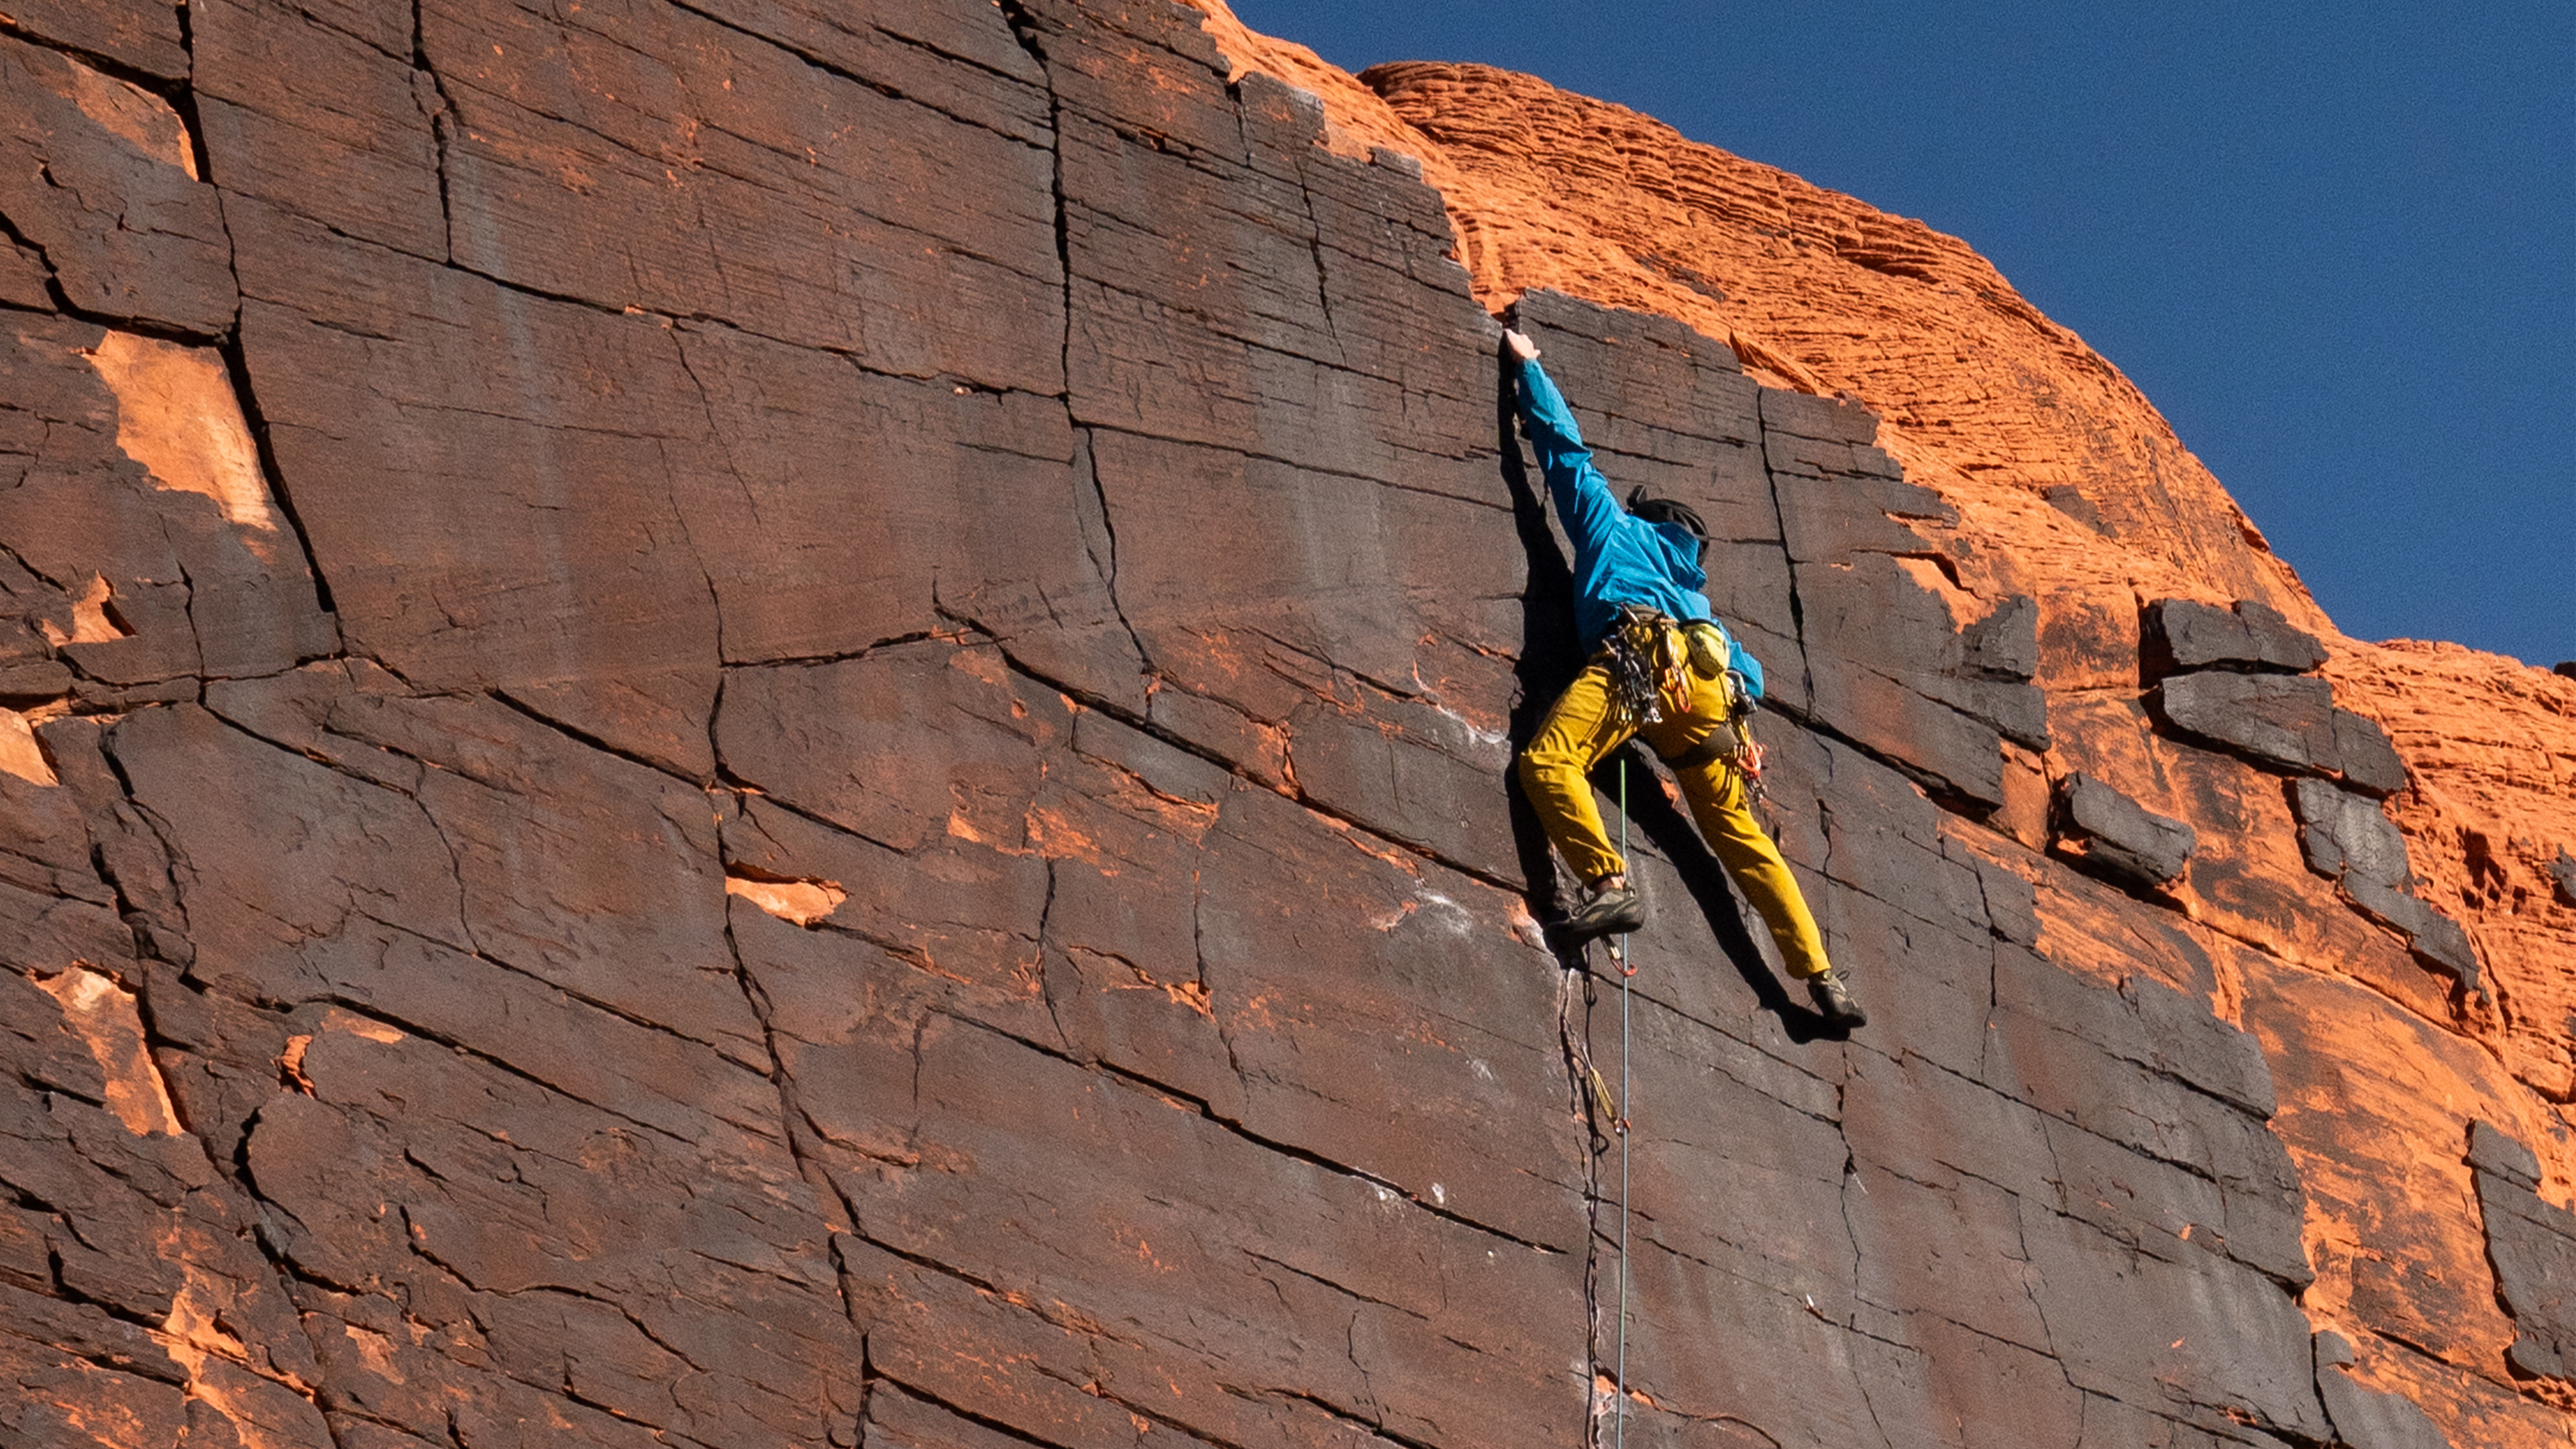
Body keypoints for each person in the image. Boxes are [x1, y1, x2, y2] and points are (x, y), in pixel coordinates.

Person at [1504, 327, 1866, 1028]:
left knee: (1549, 763)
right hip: (1710, 709)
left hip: (1638, 665)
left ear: (1646, 518)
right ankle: (1821, 978)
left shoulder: (1617, 532)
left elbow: (1564, 454)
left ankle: (1608, 881)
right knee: (1747, 847)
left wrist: (1530, 370)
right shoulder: (1701, 606)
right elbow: (1751, 677)